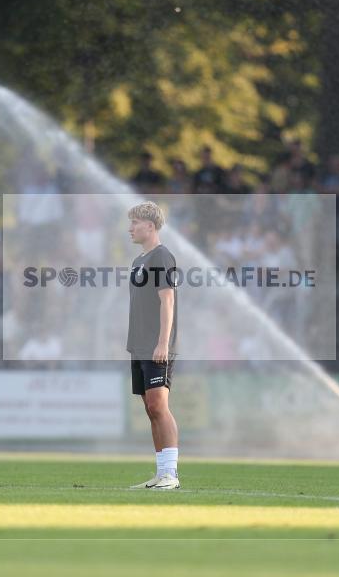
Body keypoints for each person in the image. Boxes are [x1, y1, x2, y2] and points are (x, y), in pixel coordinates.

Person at [126, 201, 180, 490]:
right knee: (150, 408)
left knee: (159, 405)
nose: (130, 228)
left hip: (157, 345)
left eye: (135, 222)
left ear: (150, 226)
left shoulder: (161, 256)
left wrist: (163, 343)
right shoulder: (138, 261)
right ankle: (161, 473)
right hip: (139, 346)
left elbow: (167, 300)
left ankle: (171, 474)